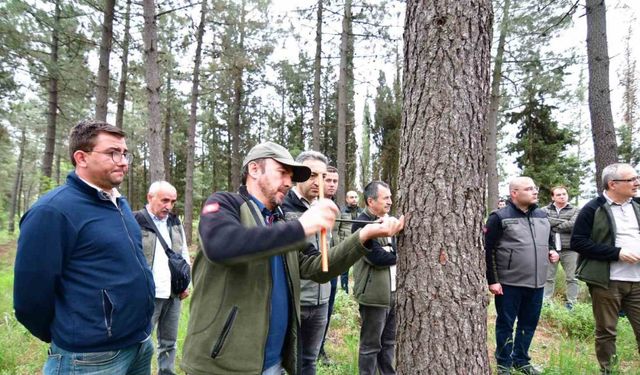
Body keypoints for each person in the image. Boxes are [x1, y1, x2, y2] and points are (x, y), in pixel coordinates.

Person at [180, 141, 404, 375]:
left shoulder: (279, 220)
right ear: (254, 169)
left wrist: (364, 235)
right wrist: (301, 227)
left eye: (291, 175)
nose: (288, 182)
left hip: (274, 363)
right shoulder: (225, 204)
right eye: (282, 172)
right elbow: (220, 245)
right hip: (222, 366)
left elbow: (317, 267)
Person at [14, 120, 155, 374]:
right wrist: (71, 334)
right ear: (81, 157)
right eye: (113, 153)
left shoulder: (118, 204)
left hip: (139, 345)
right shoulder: (53, 211)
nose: (123, 161)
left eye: (125, 153)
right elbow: (29, 299)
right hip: (89, 358)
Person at [485, 177, 559, 375]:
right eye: (528, 189)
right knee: (505, 324)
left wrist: (552, 251)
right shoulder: (499, 217)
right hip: (509, 283)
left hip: (537, 282)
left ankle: (521, 360)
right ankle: (503, 364)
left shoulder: (543, 216)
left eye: (535, 188)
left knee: (529, 323)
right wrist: (492, 280)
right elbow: (487, 249)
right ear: (514, 193)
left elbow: (549, 241)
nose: (535, 192)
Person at [571, 163, 640, 373]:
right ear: (613, 184)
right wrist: (616, 253)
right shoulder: (593, 208)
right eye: (631, 180)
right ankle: (609, 371)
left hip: (638, 281)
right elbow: (578, 242)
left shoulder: (638, 205)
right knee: (606, 331)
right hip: (606, 282)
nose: (636, 183)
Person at [281, 151, 331, 375]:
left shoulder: (325, 208)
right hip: (294, 299)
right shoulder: (283, 206)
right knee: (287, 361)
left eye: (322, 176)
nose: (317, 181)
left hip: (322, 299)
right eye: (311, 175)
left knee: (310, 361)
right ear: (298, 175)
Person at [134, 181, 191, 375]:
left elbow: (183, 254)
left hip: (173, 292)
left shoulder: (175, 222)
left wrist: (185, 283)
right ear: (150, 198)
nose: (169, 206)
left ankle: (166, 372)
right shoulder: (136, 220)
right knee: (141, 342)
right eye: (165, 200)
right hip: (147, 293)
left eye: (173, 201)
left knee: (169, 342)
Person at [351, 181, 398, 375]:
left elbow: (393, 251)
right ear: (371, 201)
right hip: (373, 295)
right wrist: (395, 254)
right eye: (385, 198)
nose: (390, 201)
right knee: (371, 346)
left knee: (388, 343)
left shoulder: (389, 221)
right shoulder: (361, 223)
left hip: (393, 294)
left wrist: (391, 251)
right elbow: (377, 258)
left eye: (390, 197)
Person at [542, 185, 580, 309]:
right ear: (553, 197)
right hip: (550, 248)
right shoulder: (544, 210)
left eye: (564, 194)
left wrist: (553, 225)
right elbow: (543, 224)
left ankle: (571, 304)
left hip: (570, 249)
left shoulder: (575, 210)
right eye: (558, 194)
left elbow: (574, 224)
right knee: (548, 277)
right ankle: (546, 302)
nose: (562, 196)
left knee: (572, 277)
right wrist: (563, 222)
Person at [318, 166, 340, 364]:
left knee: (328, 308)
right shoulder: (312, 207)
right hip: (314, 266)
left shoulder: (336, 208)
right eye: (328, 180)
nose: (332, 184)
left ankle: (320, 348)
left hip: (333, 267)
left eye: (335, 181)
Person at [339, 190, 363, 293]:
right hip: (345, 245)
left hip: (359, 244)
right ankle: (345, 292)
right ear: (347, 199)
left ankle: (358, 291)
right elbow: (337, 229)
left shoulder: (362, 212)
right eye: (351, 197)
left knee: (359, 270)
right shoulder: (341, 211)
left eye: (356, 197)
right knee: (344, 270)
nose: (354, 199)